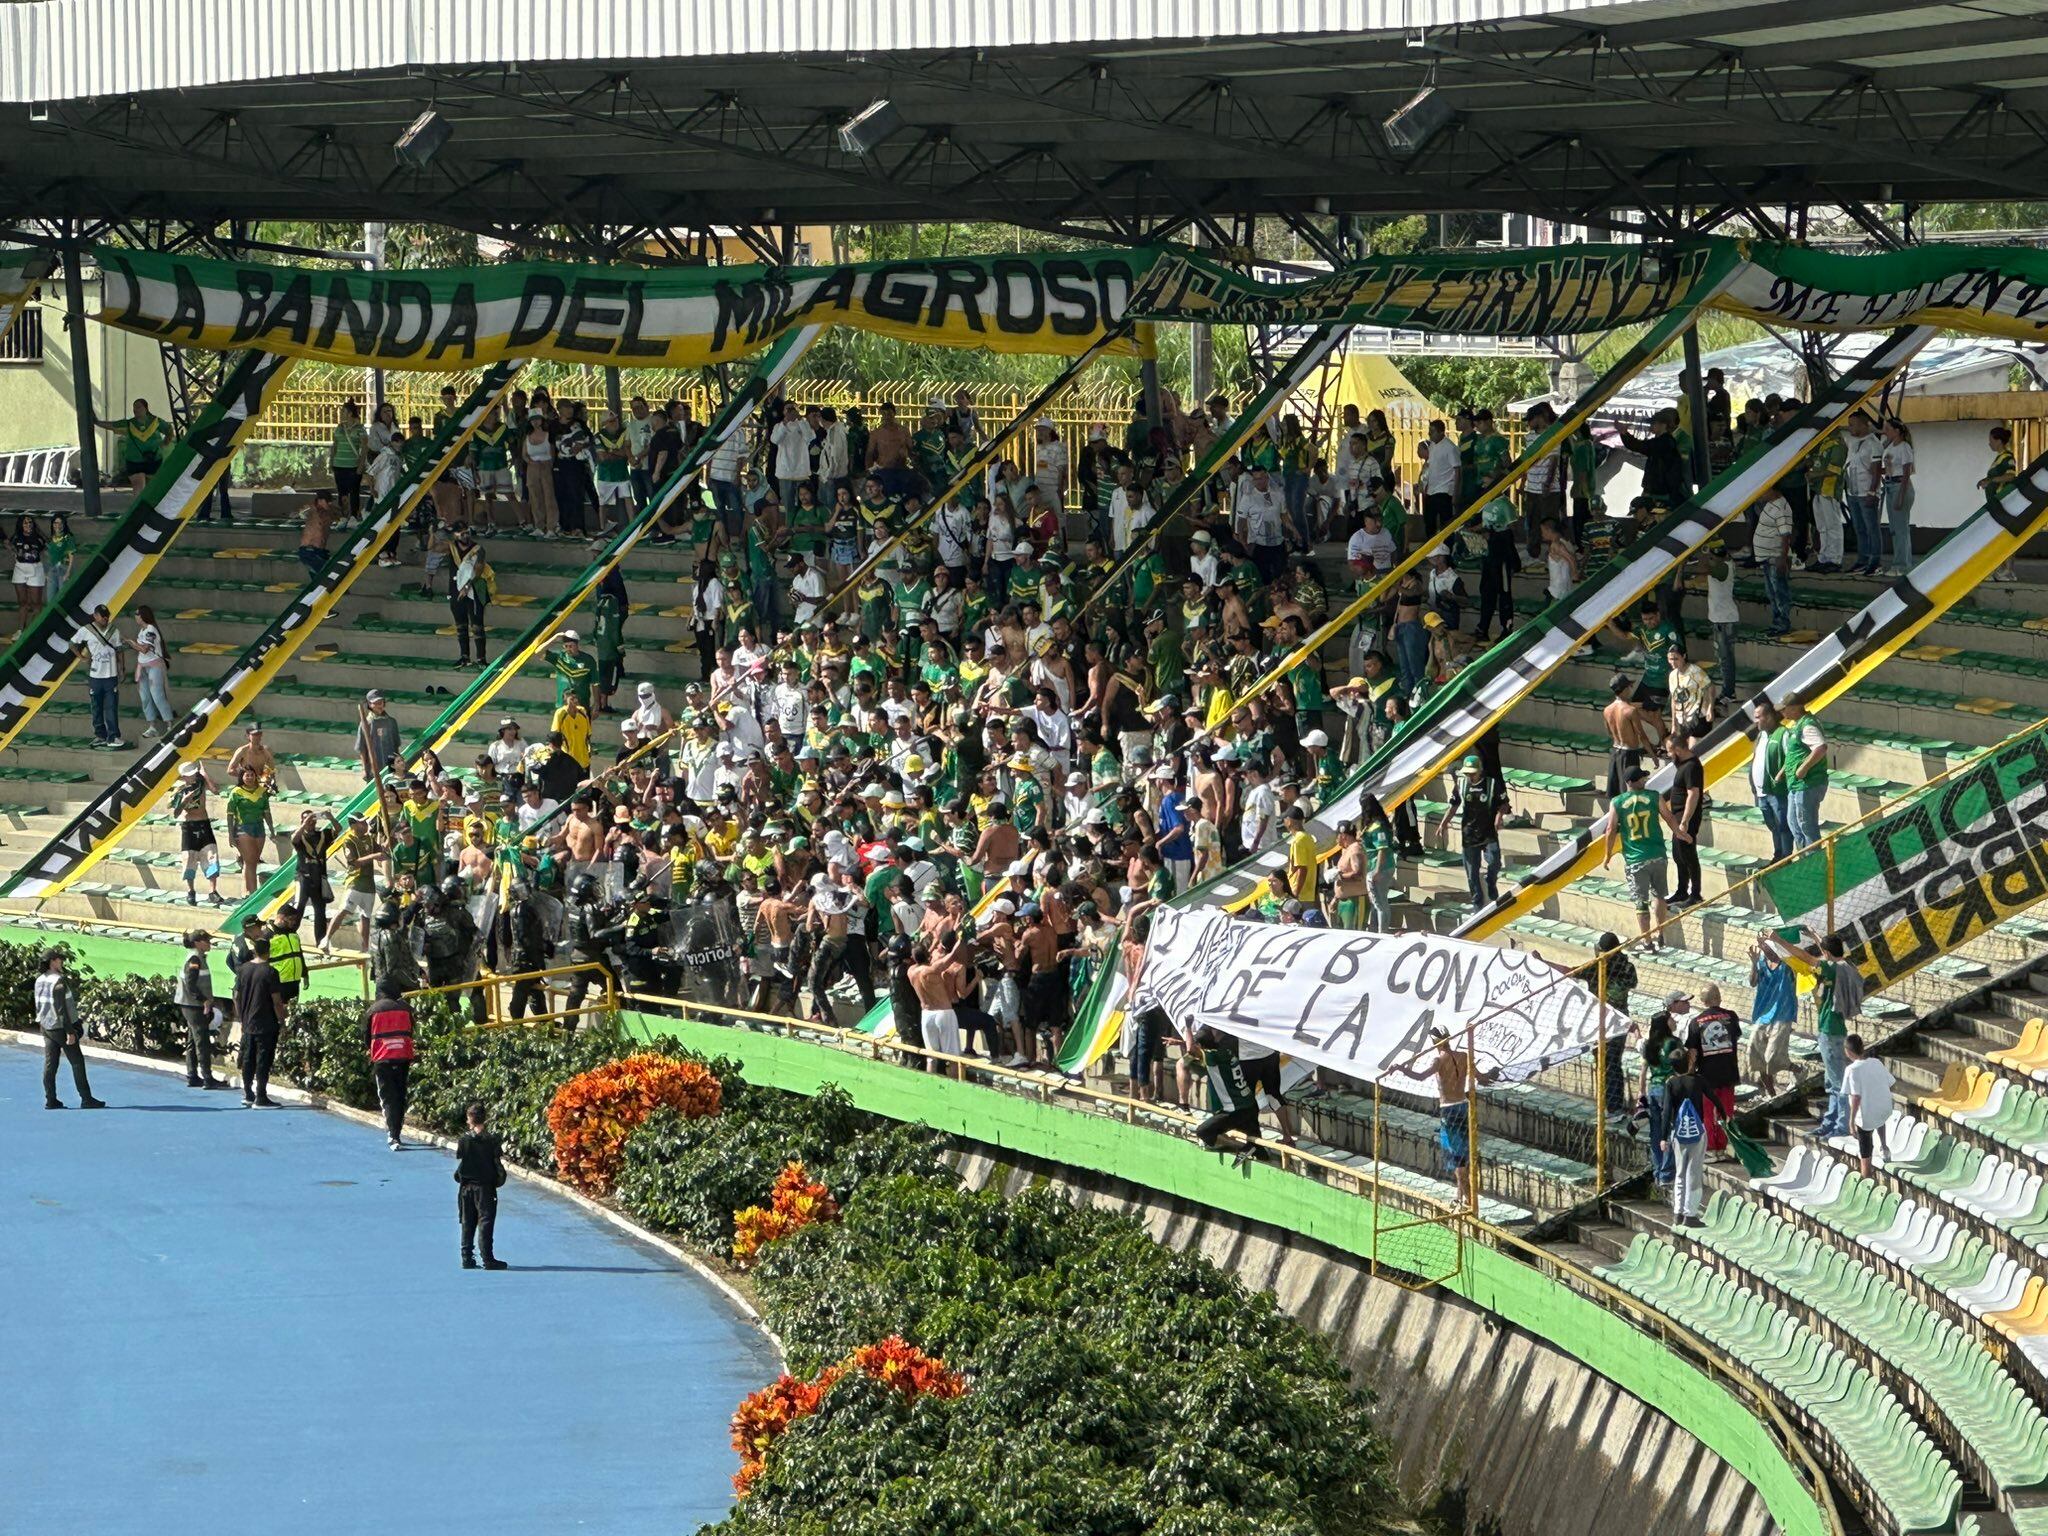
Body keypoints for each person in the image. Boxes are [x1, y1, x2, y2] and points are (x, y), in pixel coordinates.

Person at [1393, 1026, 1493, 1205]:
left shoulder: (1438, 1061)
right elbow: (1481, 1077)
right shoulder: (1464, 1056)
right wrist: (1493, 1074)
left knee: (1456, 1158)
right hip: (1464, 1106)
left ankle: (1469, 1202)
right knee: (1462, 1153)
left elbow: (1420, 1077)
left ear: (1434, 1043)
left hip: (1449, 1110)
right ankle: (1460, 1197)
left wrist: (1401, 1068)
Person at [1602, 763, 1677, 950]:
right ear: (1635, 781)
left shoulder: (1617, 802)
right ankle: (1661, 932)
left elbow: (1610, 829)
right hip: (1657, 854)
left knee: (1641, 902)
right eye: (1642, 777)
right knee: (1659, 896)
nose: (1644, 779)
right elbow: (1668, 817)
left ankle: (1647, 940)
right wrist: (1680, 833)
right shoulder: (1654, 796)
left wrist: (1607, 855)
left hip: (1635, 859)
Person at [36, 949, 103, 1110]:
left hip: (46, 1026)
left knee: (50, 1064)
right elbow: (61, 1009)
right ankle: (86, 1099)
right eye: (59, 959)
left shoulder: (40, 980)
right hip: (60, 1027)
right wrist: (70, 1031)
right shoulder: (58, 981)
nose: (62, 962)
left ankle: (51, 1099)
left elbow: (40, 1004)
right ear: (52, 961)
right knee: (77, 1062)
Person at [1440, 754, 1505, 913]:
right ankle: (1477, 902)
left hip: (1488, 831)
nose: (1470, 776)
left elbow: (1503, 804)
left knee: (1495, 861)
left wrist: (1498, 818)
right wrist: (1444, 823)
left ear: (1479, 771)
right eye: (1467, 773)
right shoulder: (1461, 784)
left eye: (1473, 773)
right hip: (1469, 833)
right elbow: (1454, 805)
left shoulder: (1491, 784)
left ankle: (1491, 880)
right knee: (1471, 872)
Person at [1679, 987, 1740, 1154]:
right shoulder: (1731, 1016)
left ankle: (1711, 1148)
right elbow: (1736, 1036)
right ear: (1719, 997)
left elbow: (1693, 1052)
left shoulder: (1695, 1022)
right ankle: (1723, 1146)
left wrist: (1690, 1074)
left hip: (1706, 1075)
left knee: (1708, 1112)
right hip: (1729, 1072)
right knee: (1726, 1111)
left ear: (1702, 1001)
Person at [232, 921, 284, 1107]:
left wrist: (241, 1016)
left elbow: (236, 996)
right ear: (268, 952)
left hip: (248, 1022)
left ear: (254, 951)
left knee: (248, 1058)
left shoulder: (243, 969)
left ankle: (248, 1093)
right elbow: (276, 1000)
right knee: (263, 1059)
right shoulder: (270, 972)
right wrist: (281, 1019)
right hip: (266, 1022)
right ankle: (261, 1095)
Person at [1190, 1025, 1263, 1155]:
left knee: (1203, 1132)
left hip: (1235, 1110)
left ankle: (1238, 1146)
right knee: (1255, 1142)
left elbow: (1190, 1051)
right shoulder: (1228, 1049)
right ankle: (1256, 1150)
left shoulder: (1212, 1057)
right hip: (1249, 1104)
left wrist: (1187, 1028)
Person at [454, 1100, 510, 1269]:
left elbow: (461, 1164)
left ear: (470, 1119)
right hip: (485, 1187)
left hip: (466, 1187)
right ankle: (487, 1258)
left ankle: (466, 1257)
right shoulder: (492, 1140)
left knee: (467, 1221)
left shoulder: (464, 1140)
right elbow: (497, 1164)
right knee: (485, 1222)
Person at [363, 975, 416, 1150]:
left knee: (387, 1097)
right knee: (400, 1094)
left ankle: (393, 1135)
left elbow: (366, 1036)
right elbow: (411, 1030)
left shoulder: (373, 1010)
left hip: (382, 1058)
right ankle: (397, 1130)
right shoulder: (406, 1009)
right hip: (403, 1056)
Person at [1660, 1053, 1709, 1227]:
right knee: (1693, 1172)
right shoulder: (1697, 1080)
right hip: (1697, 1131)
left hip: (1678, 1133)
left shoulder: (1671, 1083)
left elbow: (1667, 1111)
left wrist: (1663, 1137)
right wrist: (1724, 1115)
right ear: (1688, 1062)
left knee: (1680, 1173)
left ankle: (1678, 1213)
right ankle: (1691, 1214)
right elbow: (1713, 1097)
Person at [1637, 1009, 1683, 1189]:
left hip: (1653, 1089)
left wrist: (1641, 1093)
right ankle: (1666, 1173)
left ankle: (1658, 1171)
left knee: (1655, 1131)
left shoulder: (1649, 1044)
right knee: (1669, 1129)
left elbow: (1643, 1071)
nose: (1674, 1021)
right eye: (1671, 1019)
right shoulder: (1673, 1042)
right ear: (1665, 1023)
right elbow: (1681, 1065)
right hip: (1668, 1089)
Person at [75, 602, 130, 749]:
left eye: (107, 616)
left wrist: (122, 669)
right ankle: (100, 735)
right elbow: (72, 643)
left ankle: (113, 736)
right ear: (95, 616)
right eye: (102, 616)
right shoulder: (86, 630)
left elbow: (119, 650)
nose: (105, 618)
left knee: (111, 708)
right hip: (95, 676)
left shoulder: (114, 631)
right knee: (96, 708)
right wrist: (81, 657)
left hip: (111, 675)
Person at [176, 929, 226, 1090]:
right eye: (206, 941)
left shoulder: (197, 957)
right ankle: (207, 1078)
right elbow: (191, 984)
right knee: (201, 1041)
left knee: (193, 1040)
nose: (209, 943)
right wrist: (204, 1001)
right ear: (197, 943)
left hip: (191, 1004)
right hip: (194, 1005)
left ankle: (193, 1076)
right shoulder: (195, 959)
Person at [1748, 937, 1796, 1096]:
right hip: (1762, 1015)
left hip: (1783, 1014)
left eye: (1767, 947)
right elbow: (1752, 982)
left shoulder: (1787, 965)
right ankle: (1771, 1093)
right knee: (1757, 1057)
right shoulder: (1761, 962)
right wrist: (1754, 964)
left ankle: (1798, 1070)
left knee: (1771, 1057)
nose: (1765, 951)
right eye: (1763, 948)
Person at [170, 762, 223, 906]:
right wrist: (184, 802)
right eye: (189, 775)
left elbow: (215, 790)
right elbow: (176, 813)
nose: (193, 776)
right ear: (183, 777)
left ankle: (212, 891)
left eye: (194, 773)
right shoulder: (179, 790)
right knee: (189, 858)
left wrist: (205, 775)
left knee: (211, 855)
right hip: (189, 825)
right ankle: (191, 890)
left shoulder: (200, 782)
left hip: (203, 822)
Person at [1779, 698, 1828, 851]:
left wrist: (1803, 769)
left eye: (1784, 709)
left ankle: (1814, 858)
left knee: (1806, 825)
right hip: (1796, 784)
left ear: (1795, 708)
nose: (1782, 713)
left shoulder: (1807, 726)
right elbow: (1795, 753)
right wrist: (1783, 771)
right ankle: (1803, 856)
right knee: (1794, 823)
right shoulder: (1797, 725)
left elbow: (1820, 748)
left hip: (1807, 784)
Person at [1842, 1034, 1895, 1176]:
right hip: (1883, 1110)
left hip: (1866, 1117)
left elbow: (1856, 1097)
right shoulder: (1876, 1062)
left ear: (1848, 1052)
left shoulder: (1852, 1069)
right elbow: (1891, 1083)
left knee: (1865, 1150)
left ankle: (1866, 1177)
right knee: (1878, 1118)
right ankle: (1884, 1147)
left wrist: (1851, 1121)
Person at [1749, 697, 1792, 863]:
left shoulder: (1783, 734)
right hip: (1761, 792)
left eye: (1758, 717)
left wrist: (1780, 775)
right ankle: (1778, 854)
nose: (1755, 721)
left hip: (1776, 791)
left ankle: (1786, 857)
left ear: (1768, 717)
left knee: (1783, 825)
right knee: (1773, 825)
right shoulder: (1761, 735)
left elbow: (1791, 759)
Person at [1879, 416, 1916, 575]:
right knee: (1895, 528)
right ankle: (1900, 561)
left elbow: (1907, 471)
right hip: (1890, 485)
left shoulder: (1904, 447)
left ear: (1897, 431)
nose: (1885, 432)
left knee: (1901, 527)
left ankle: (1902, 564)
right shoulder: (1890, 447)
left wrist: (1901, 495)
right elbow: (1889, 468)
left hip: (1900, 486)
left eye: (1888, 429)